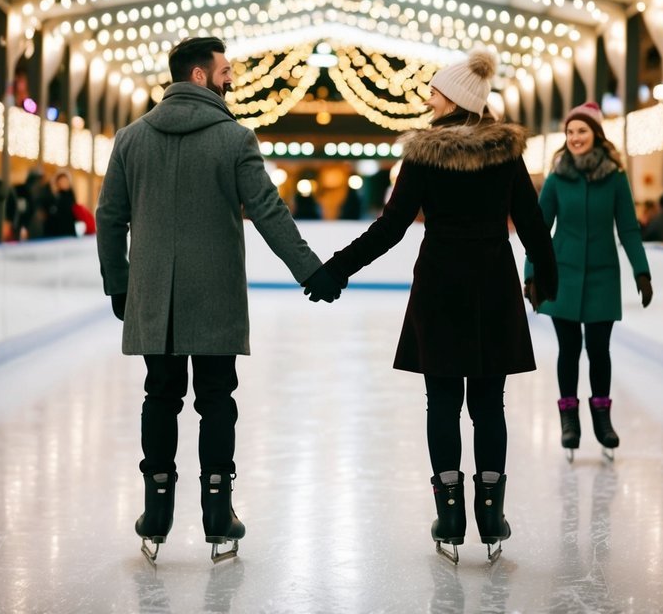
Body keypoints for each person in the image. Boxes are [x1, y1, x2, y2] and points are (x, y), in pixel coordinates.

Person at [305, 49, 557, 563]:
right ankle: (489, 512)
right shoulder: (506, 154)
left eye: (436, 92)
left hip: (441, 284)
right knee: (488, 404)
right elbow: (531, 224)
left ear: (457, 100)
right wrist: (546, 275)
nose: (428, 98)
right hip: (492, 284)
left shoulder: (423, 154)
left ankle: (450, 514)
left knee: (441, 401)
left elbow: (391, 227)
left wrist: (336, 268)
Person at [96, 36, 340, 564]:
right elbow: (269, 212)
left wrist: (119, 282)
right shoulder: (235, 139)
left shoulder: (131, 138)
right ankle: (217, 513)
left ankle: (156, 512)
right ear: (201, 76)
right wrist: (312, 271)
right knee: (216, 401)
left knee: (160, 396)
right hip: (215, 296)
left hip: (154, 295)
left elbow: (110, 218)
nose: (233, 78)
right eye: (226, 70)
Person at [524, 102, 652, 458]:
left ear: (596, 134)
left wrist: (641, 271)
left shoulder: (615, 177)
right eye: (570, 132)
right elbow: (538, 230)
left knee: (598, 350)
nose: (575, 137)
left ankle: (602, 419)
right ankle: (569, 420)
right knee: (568, 350)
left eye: (582, 130)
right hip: (561, 275)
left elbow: (627, 227)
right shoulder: (556, 177)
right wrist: (531, 274)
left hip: (602, 276)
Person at [44, 170, 78, 238]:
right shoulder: (54, 197)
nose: (64, 183)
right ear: (57, 183)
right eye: (61, 181)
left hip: (69, 232)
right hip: (56, 234)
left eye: (65, 181)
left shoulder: (71, 196)